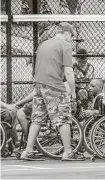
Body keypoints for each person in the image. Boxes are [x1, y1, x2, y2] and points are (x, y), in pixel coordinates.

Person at [20, 22, 82, 161]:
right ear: (66, 33)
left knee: (37, 118)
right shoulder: (65, 45)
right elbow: (69, 71)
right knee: (63, 118)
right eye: (71, 35)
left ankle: (28, 150)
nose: (71, 38)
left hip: (39, 85)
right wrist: (72, 93)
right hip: (54, 85)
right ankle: (68, 152)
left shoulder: (44, 44)